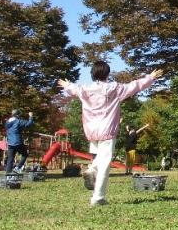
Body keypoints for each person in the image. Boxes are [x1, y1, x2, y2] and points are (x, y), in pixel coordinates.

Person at [58, 62, 163, 207]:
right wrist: (150, 77)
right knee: (105, 164)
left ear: (92, 74)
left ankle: (92, 169)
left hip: (91, 130)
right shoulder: (114, 88)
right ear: (108, 74)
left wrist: (67, 85)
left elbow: (74, 89)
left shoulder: (86, 89)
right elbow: (134, 86)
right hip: (107, 130)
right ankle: (98, 197)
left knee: (100, 159)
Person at [4, 109, 34, 174]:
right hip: (17, 142)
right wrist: (31, 116)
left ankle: (8, 173)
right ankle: (17, 168)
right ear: (17, 115)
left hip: (10, 143)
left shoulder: (7, 122)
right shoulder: (18, 121)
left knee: (10, 158)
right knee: (25, 154)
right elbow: (29, 124)